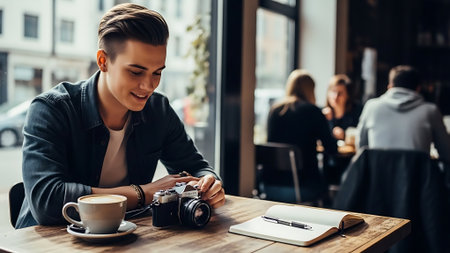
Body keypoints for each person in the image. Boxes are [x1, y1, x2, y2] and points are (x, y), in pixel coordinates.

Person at [17, 3, 225, 229]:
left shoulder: (158, 110)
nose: (148, 85)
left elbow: (197, 167)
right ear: (103, 61)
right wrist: (142, 194)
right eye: (135, 72)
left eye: (157, 72)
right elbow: (46, 202)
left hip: (124, 239)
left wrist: (209, 183)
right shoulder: (51, 110)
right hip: (47, 243)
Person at [267, 69, 337, 203]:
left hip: (270, 185)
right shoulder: (313, 111)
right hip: (303, 187)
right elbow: (332, 148)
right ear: (310, 89)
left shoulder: (275, 110)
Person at [357, 65, 450, 162]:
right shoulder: (431, 111)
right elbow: (447, 153)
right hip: (417, 177)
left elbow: (361, 149)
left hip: (378, 176)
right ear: (418, 89)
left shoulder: (371, 107)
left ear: (390, 87)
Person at [322, 74, 363, 141]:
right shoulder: (323, 113)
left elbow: (361, 135)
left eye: (340, 93)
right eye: (333, 91)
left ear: (348, 95)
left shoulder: (357, 112)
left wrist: (345, 135)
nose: (335, 97)